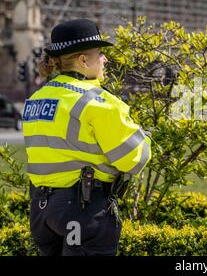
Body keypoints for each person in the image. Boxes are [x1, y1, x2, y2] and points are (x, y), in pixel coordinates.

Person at [22, 19, 151, 256]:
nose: (105, 59)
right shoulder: (99, 101)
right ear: (83, 60)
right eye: (100, 53)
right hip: (83, 209)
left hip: (42, 211)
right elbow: (133, 159)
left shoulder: (36, 98)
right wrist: (144, 137)